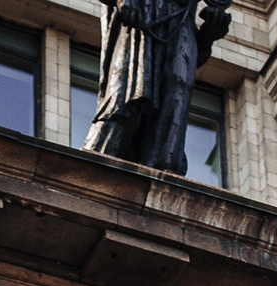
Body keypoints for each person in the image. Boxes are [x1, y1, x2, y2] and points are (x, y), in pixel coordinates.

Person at [82, 0, 232, 176]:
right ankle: (89, 174)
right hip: (140, 18)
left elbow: (192, 58)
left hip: (180, 25)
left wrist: (207, 35)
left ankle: (162, 175)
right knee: (124, 111)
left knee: (174, 104)